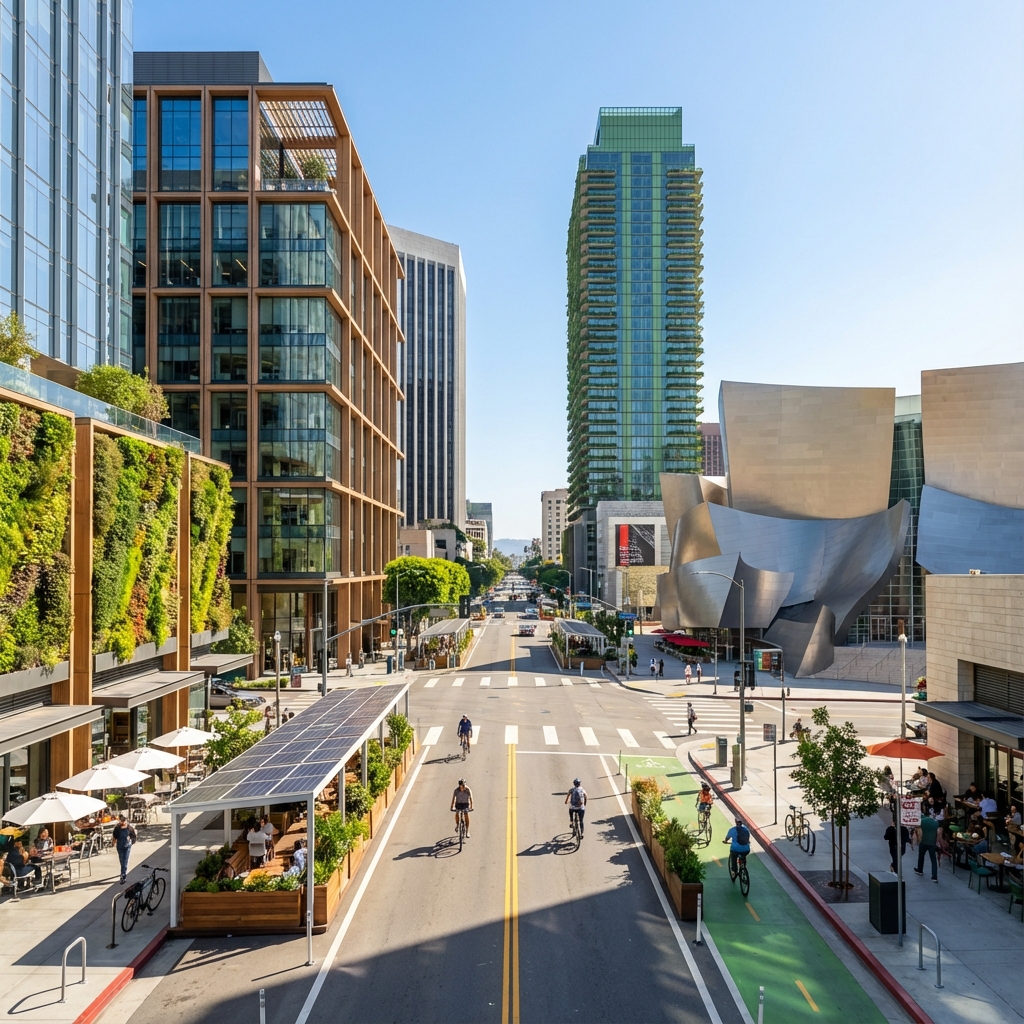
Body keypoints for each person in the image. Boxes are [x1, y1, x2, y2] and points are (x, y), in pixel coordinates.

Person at [914, 807, 939, 882]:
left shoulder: (922, 821)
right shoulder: (935, 822)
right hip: (932, 843)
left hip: (923, 842)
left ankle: (920, 870)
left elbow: (918, 830)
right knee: (933, 860)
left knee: (921, 856)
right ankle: (934, 876)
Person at [112, 813, 137, 884]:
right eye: (121, 821)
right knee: (121, 860)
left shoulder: (129, 828)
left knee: (125, 861)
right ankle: (123, 871)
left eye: (124, 821)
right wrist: (113, 843)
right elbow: (114, 837)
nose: (123, 822)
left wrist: (132, 842)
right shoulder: (117, 828)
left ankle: (123, 876)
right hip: (120, 846)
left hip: (127, 847)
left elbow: (134, 835)